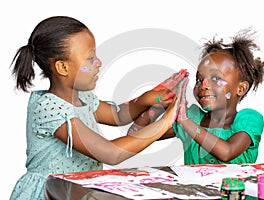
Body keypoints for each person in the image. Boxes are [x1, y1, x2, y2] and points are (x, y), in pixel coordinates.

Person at [9, 16, 185, 200]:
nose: (98, 62)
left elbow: (118, 115)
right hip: (49, 194)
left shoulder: (83, 98)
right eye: (90, 58)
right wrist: (166, 122)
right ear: (62, 67)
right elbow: (111, 153)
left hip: (74, 191)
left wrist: (147, 98)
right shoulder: (49, 108)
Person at [128, 28, 264, 165]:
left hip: (235, 189)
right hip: (192, 189)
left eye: (215, 78)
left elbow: (227, 152)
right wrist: (160, 103)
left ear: (241, 88)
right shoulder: (193, 117)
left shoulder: (249, 119)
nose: (204, 85)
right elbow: (136, 135)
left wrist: (183, 120)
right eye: (199, 80)